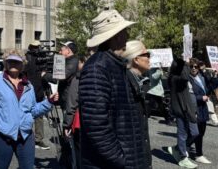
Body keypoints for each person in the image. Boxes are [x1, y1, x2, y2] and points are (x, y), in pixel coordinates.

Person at [79, 9, 148, 169]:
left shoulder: (115, 65)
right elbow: (96, 125)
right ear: (115, 36)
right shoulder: (97, 68)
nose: (128, 35)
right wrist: (119, 159)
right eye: (125, 31)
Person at [0, 50, 59, 169]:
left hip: (25, 136)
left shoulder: (29, 85)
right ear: (6, 63)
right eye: (10, 61)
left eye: (17, 62)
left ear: (22, 65)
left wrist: (49, 102)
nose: (13, 64)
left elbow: (33, 111)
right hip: (2, 135)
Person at [121, 40, 153, 169]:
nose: (149, 58)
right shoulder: (125, 84)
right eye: (147, 54)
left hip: (140, 155)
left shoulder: (139, 82)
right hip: (131, 159)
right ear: (136, 59)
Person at [166, 56, 199, 169]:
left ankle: (177, 148)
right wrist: (185, 63)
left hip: (189, 109)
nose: (190, 68)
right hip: (181, 109)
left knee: (194, 132)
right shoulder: (175, 78)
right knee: (182, 133)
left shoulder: (183, 77)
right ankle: (182, 158)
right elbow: (184, 77)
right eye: (187, 66)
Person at [25, 40, 50, 149]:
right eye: (35, 47)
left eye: (38, 47)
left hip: (39, 90)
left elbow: (44, 73)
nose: (37, 49)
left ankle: (38, 139)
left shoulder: (42, 58)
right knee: (26, 114)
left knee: (39, 115)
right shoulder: (26, 58)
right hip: (28, 90)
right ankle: (25, 137)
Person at [62, 55, 85, 169]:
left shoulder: (78, 78)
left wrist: (67, 124)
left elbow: (72, 103)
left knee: (79, 152)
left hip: (80, 121)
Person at [187, 59, 212, 165]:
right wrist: (201, 98)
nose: (193, 68)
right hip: (194, 108)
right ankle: (199, 155)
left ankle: (183, 147)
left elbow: (210, 88)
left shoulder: (201, 77)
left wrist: (215, 76)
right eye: (192, 66)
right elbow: (188, 96)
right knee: (196, 133)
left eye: (196, 66)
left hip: (203, 108)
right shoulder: (188, 79)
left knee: (201, 132)